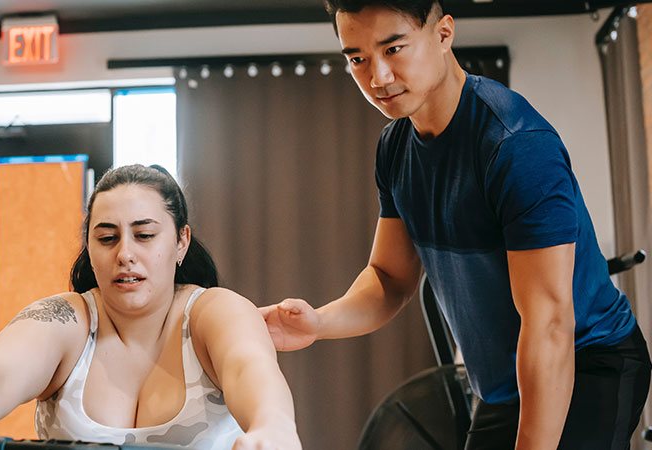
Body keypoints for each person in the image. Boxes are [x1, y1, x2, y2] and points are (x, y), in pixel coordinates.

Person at [260, 1, 651, 449]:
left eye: (394, 49)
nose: (377, 78)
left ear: (444, 34)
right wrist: (317, 323)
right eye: (357, 58)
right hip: (503, 382)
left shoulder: (515, 146)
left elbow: (549, 325)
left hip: (588, 361)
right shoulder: (396, 147)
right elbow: (390, 279)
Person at [0, 164, 302, 450]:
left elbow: (250, 368)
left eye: (145, 235)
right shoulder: (67, 320)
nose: (125, 254)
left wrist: (274, 426)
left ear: (181, 242)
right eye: (108, 237)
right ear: (90, 248)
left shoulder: (216, 312)